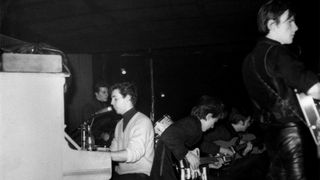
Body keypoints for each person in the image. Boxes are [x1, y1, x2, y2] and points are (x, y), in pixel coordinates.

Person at [242, 0, 320, 179]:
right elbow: (314, 88)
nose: (296, 27)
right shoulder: (278, 53)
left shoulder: (248, 61)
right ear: (271, 24)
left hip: (271, 137)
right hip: (294, 134)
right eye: (290, 21)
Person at [150, 95, 225, 180]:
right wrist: (187, 154)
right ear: (208, 116)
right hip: (164, 171)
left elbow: (183, 159)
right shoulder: (192, 124)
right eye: (214, 122)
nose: (212, 127)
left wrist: (208, 165)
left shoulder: (195, 128)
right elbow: (168, 136)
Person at [200, 107, 269, 180]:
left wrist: (245, 152)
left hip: (215, 167)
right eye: (248, 122)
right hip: (205, 163)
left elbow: (232, 158)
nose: (249, 124)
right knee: (256, 158)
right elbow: (201, 142)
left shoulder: (234, 136)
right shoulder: (222, 131)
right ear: (241, 122)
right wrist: (220, 150)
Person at [109, 82, 154, 180]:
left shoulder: (143, 121)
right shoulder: (119, 124)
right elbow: (113, 151)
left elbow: (133, 153)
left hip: (140, 175)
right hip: (122, 174)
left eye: (115, 98)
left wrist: (103, 156)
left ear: (128, 98)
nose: (111, 103)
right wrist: (95, 153)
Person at [81, 81, 119, 147]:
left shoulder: (108, 107)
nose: (107, 94)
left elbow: (111, 123)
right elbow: (88, 127)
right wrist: (101, 134)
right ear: (96, 94)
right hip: (94, 143)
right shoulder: (89, 107)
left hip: (108, 141)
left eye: (107, 92)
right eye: (104, 92)